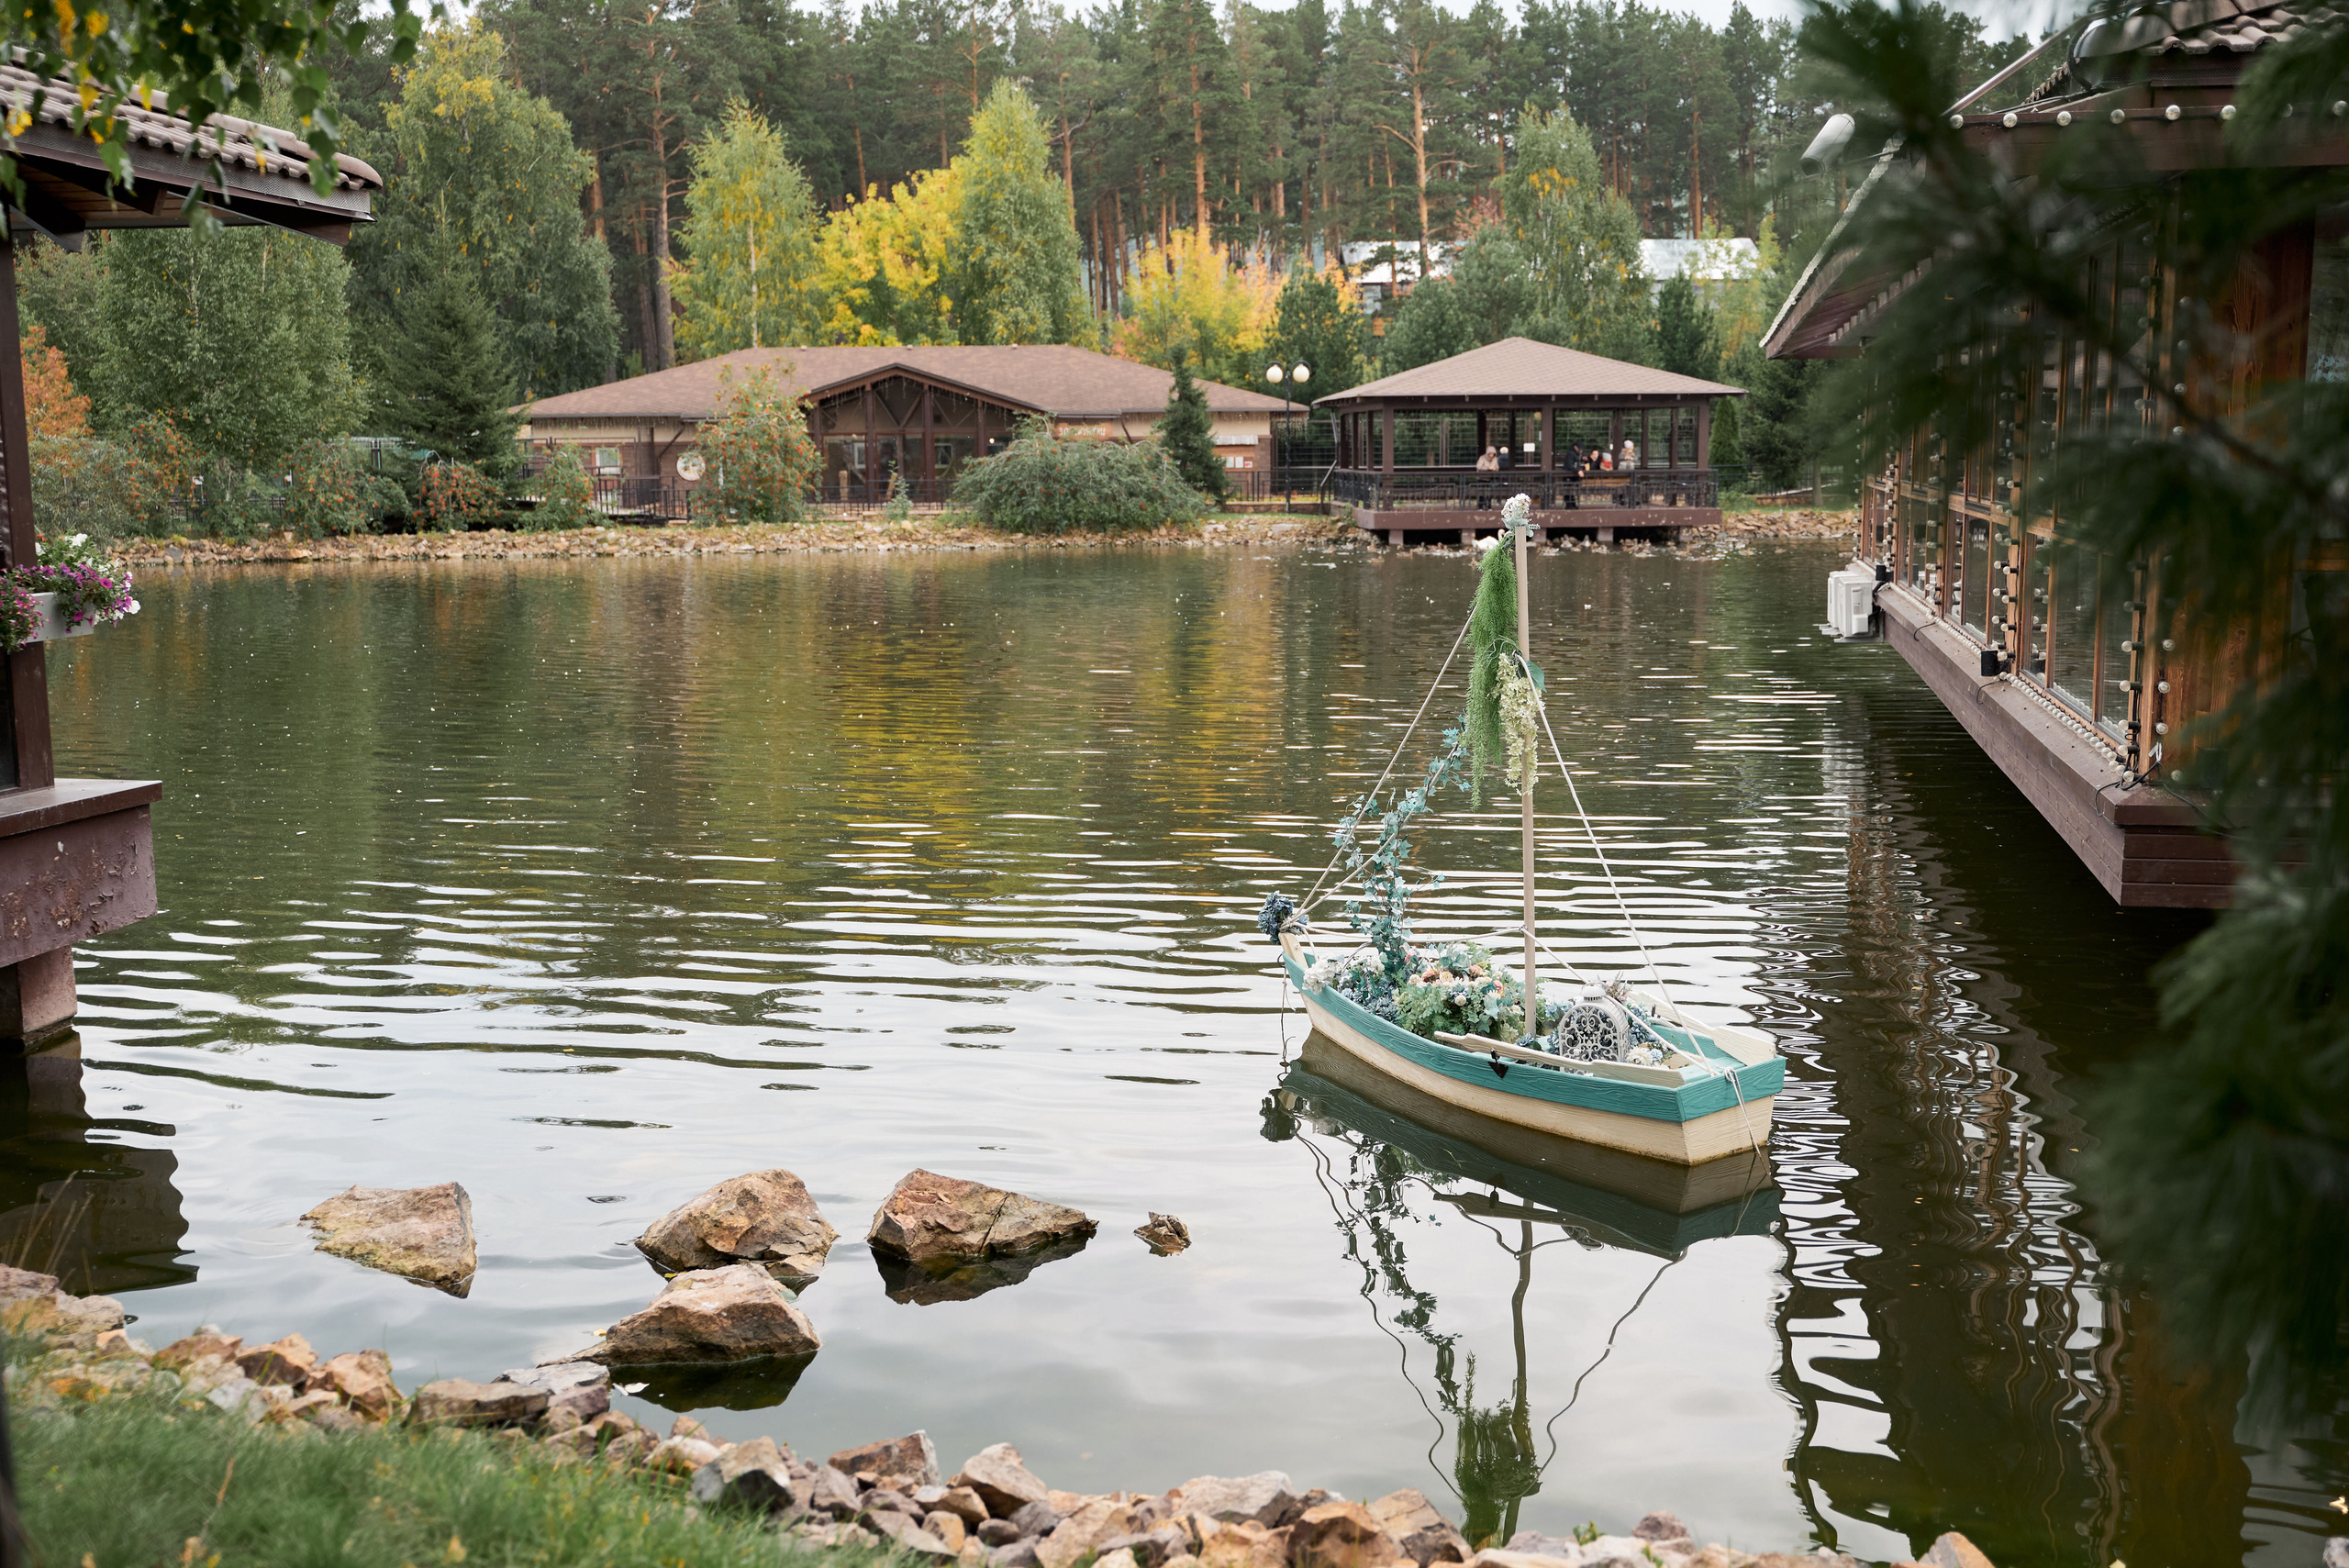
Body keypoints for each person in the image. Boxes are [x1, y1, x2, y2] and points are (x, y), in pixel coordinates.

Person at [1475, 444, 1497, 508]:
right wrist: (1488, 467)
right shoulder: (1482, 458)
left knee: (1489, 493)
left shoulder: (1495, 459)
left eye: (1493, 454)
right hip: (1481, 478)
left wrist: (1495, 469)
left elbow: (1497, 466)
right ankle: (1480, 506)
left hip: (1490, 478)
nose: (1491, 456)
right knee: (1481, 492)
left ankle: (1488, 506)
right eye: (1490, 454)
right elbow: (1478, 466)